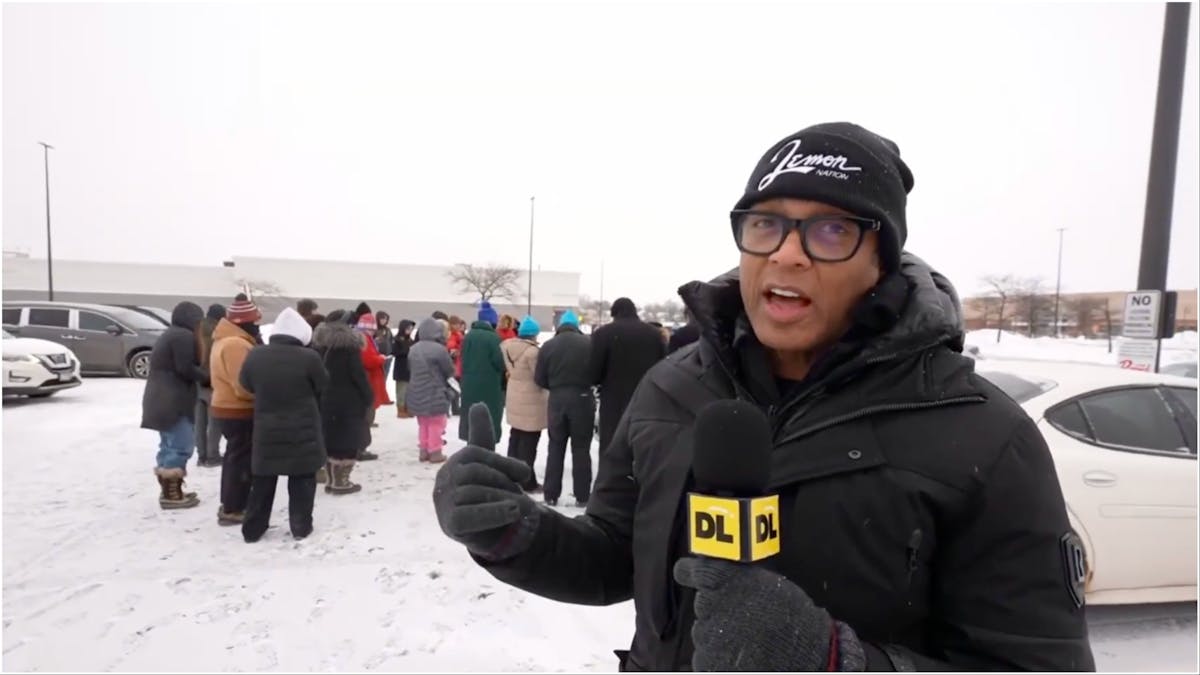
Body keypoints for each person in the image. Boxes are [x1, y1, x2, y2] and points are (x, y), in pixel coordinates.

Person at [430, 122, 1095, 671]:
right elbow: (616, 553)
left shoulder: (985, 435)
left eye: (831, 231)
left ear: (881, 261)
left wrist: (833, 663)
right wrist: (516, 533)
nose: (788, 254)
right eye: (766, 224)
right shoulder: (671, 387)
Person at [238, 308, 328, 542]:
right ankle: (300, 526)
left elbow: (245, 383)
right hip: (303, 429)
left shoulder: (256, 355)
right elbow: (322, 384)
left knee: (263, 481)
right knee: (302, 479)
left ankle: (253, 528)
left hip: (266, 428)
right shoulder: (309, 358)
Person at [141, 301, 207, 510]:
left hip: (160, 398)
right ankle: (172, 495)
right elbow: (185, 368)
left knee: (168, 445)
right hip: (174, 400)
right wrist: (208, 377)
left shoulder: (171, 334)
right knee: (181, 445)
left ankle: (169, 490)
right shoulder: (182, 336)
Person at [209, 295, 263, 526]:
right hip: (237, 409)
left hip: (228, 407)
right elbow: (242, 385)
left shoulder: (226, 340)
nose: (258, 326)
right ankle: (234, 507)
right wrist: (263, 395)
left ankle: (232, 504)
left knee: (235, 458)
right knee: (239, 461)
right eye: (255, 322)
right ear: (244, 322)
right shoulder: (236, 345)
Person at [532, 310, 594, 506]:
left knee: (555, 447)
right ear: (576, 326)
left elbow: (539, 378)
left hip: (557, 400)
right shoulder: (589, 344)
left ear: (560, 326)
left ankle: (551, 494)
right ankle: (583, 496)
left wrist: (556, 386)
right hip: (583, 398)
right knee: (581, 449)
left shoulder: (548, 346)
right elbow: (597, 373)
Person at [588, 297, 665, 454]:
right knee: (642, 447)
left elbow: (593, 372)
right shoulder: (654, 334)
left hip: (613, 400)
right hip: (647, 399)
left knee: (612, 445)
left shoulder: (603, 334)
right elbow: (663, 366)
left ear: (614, 313)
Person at [313, 314, 373, 494]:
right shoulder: (350, 349)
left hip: (327, 400)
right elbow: (358, 376)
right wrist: (368, 396)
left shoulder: (323, 347)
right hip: (349, 403)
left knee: (331, 440)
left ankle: (331, 480)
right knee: (348, 441)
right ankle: (341, 482)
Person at [500, 315, 547, 492]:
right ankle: (527, 481)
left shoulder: (507, 347)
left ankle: (510, 477)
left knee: (516, 438)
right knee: (529, 443)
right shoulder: (533, 352)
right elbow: (539, 377)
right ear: (534, 334)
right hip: (531, 400)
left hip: (515, 396)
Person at [406, 317, 455, 463]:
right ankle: (435, 452)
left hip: (416, 391)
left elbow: (410, 368)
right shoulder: (439, 349)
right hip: (435, 391)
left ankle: (423, 451)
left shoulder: (413, 349)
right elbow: (449, 370)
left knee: (423, 424)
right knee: (436, 423)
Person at [458, 303, 505, 444]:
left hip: (469, 383)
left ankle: (470, 440)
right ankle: (487, 444)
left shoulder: (468, 336)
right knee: (489, 414)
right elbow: (499, 362)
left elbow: (462, 358)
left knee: (470, 413)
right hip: (489, 385)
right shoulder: (493, 338)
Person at [194, 303, 226, 468]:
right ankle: (212, 456)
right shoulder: (218, 333)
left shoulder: (196, 331)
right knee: (215, 423)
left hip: (198, 380)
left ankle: (201, 456)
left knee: (199, 423)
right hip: (213, 382)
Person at [354, 312, 391, 453]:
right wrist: (380, 359)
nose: (372, 332)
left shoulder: (364, 338)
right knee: (366, 413)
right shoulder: (364, 339)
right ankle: (360, 448)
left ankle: (360, 446)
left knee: (367, 412)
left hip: (369, 378)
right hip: (369, 379)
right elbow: (368, 360)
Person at [392, 319, 415, 418]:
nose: (409, 331)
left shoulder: (411, 340)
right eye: (408, 329)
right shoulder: (397, 339)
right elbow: (394, 352)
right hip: (401, 368)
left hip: (410, 369)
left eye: (411, 329)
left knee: (409, 390)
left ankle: (408, 407)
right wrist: (407, 351)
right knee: (401, 390)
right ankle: (400, 409)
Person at [374, 310, 395, 378]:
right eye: (382, 319)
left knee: (384, 377)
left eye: (385, 319)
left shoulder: (388, 330)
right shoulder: (374, 329)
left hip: (387, 358)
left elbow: (392, 341)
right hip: (377, 357)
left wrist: (392, 353)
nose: (384, 320)